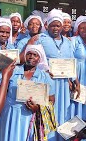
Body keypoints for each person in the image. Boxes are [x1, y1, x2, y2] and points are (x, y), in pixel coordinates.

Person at [29, 9, 80, 139]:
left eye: (58, 25)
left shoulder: (68, 42)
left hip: (63, 84)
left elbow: (71, 62)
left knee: (63, 111)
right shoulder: (40, 39)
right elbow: (34, 58)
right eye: (53, 25)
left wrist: (76, 81)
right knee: (48, 112)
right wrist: (45, 70)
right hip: (47, 83)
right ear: (47, 25)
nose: (55, 28)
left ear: (62, 26)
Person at [0, 44, 57, 141]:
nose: (31, 57)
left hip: (30, 117)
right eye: (29, 54)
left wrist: (37, 107)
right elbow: (0, 92)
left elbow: (51, 100)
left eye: (35, 55)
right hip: (10, 114)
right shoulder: (12, 71)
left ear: (39, 59)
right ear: (25, 56)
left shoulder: (45, 77)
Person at [70, 16, 86, 121]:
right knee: (75, 99)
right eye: (82, 28)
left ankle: (82, 124)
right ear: (77, 29)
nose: (84, 30)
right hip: (77, 74)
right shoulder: (74, 41)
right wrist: (73, 79)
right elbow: (70, 60)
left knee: (85, 101)